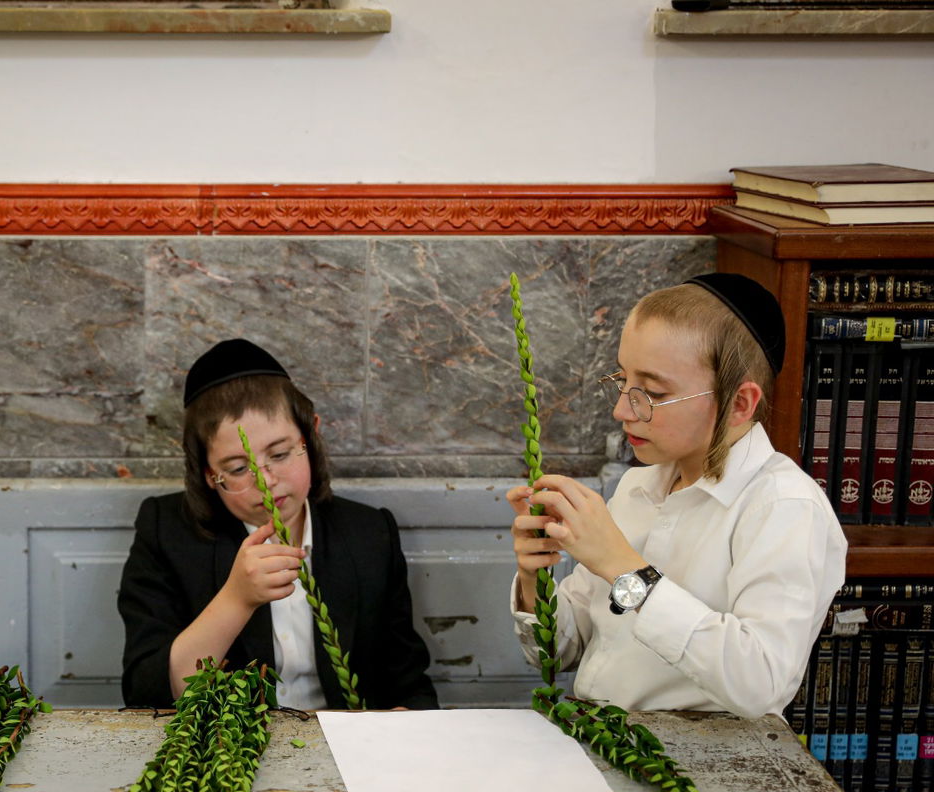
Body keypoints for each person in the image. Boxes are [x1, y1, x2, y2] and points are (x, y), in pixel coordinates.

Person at [506, 273, 846, 719]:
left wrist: (624, 569)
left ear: (739, 403)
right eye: (622, 380)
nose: (621, 409)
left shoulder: (783, 508)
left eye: (652, 392)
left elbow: (760, 684)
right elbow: (559, 653)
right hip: (605, 740)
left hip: (706, 755)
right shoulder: (638, 487)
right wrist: (534, 578)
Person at [120, 338, 438, 711]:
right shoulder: (166, 530)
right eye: (238, 468)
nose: (266, 481)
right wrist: (236, 599)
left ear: (311, 436)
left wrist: (403, 718)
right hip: (228, 741)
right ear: (209, 474)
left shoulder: (369, 532)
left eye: (281, 454)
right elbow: (146, 693)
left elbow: (409, 684)